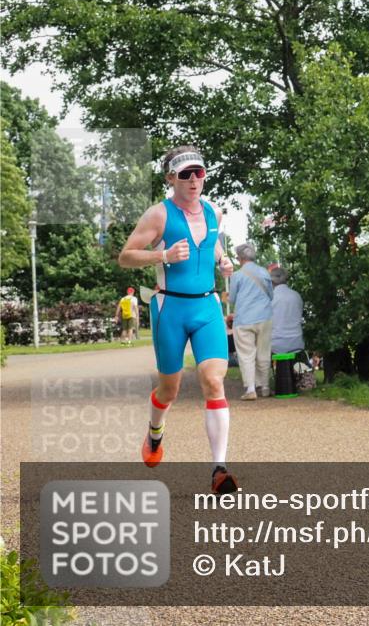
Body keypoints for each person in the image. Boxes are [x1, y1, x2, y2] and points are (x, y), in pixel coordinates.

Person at [118, 146, 237, 495]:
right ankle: (155, 433)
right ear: (171, 178)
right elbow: (126, 256)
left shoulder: (213, 210)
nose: (193, 180)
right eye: (185, 174)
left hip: (207, 307)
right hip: (170, 309)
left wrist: (223, 260)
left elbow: (213, 244)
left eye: (198, 172)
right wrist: (163, 255)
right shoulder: (158, 214)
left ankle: (220, 469)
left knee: (213, 381)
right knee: (168, 388)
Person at [230, 243, 273, 400]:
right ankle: (266, 387)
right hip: (265, 317)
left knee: (246, 354)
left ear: (240, 258)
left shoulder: (237, 275)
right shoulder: (264, 273)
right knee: (264, 352)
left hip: (243, 319)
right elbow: (271, 295)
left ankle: (250, 389)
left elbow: (233, 299)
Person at [269, 266, 314, 391]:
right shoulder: (296, 296)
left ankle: (262, 385)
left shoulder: (269, 297)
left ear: (272, 281)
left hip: (275, 343)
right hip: (297, 341)